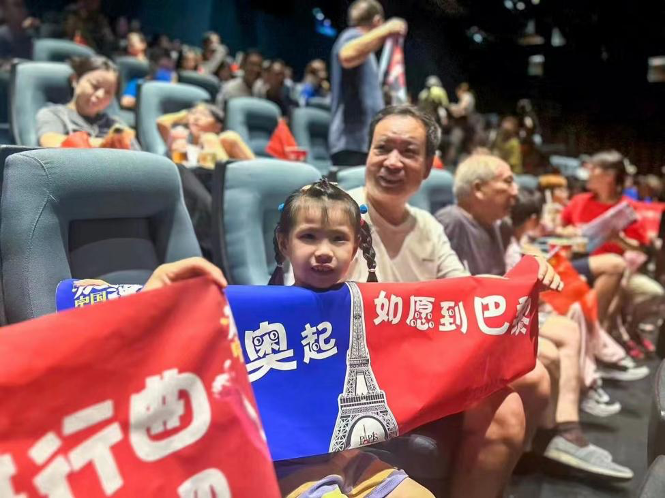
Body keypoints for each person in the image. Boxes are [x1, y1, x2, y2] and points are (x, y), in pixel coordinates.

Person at [339, 104, 559, 497]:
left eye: (408, 152)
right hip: (364, 363)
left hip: (424, 358)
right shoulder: (336, 215)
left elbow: (467, 290)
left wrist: (527, 273)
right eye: (382, 148)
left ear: (427, 168)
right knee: (509, 406)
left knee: (531, 379)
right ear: (367, 155)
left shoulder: (427, 224)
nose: (392, 162)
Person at [435, 154, 634, 480]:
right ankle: (545, 439)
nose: (516, 191)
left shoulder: (498, 224)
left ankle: (564, 430)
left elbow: (506, 270)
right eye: (507, 182)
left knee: (567, 330)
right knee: (549, 354)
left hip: (501, 314)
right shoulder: (453, 221)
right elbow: (457, 290)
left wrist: (533, 266)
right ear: (478, 189)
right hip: (477, 324)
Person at [270, 178, 434, 497]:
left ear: (355, 247)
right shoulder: (259, 315)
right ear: (284, 242)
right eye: (308, 236)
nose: (324, 252)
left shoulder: (375, 311)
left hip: (352, 459)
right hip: (288, 465)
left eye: (338, 239)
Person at [561, 150, 665, 356]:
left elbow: (642, 248)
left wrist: (619, 239)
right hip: (582, 264)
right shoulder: (579, 201)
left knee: (652, 292)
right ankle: (598, 341)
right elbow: (559, 229)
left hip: (619, 271)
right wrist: (568, 232)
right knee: (615, 277)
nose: (587, 174)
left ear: (609, 175)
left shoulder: (627, 208)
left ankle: (606, 337)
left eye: (592, 169)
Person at [329, 0, 408, 167]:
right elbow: (346, 55)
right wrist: (387, 29)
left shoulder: (367, 54)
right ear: (378, 21)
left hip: (363, 142)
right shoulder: (351, 35)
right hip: (351, 142)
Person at [36, 56, 138, 149]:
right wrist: (105, 143)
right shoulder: (54, 115)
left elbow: (138, 156)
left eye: (108, 92)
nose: (100, 95)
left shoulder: (117, 125)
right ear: (75, 80)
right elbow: (49, 141)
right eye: (95, 86)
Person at [156, 102, 254, 164]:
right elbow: (162, 122)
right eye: (193, 113)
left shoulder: (225, 143)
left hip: (222, 182)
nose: (196, 118)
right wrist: (185, 114)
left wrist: (208, 140)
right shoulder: (181, 140)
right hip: (193, 182)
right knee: (179, 143)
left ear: (218, 126)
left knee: (224, 137)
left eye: (204, 115)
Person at [0, 0, 39, 65]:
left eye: (23, 6)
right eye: (17, 6)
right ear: (5, 9)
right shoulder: (2, 36)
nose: (23, 10)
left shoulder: (31, 35)